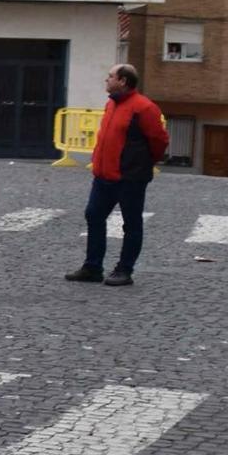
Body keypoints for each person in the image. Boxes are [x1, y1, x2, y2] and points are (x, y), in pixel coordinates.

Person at [65, 63, 169, 288]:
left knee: (131, 224)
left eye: (110, 76)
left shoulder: (144, 108)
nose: (106, 80)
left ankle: (125, 270)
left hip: (129, 177)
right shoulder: (111, 104)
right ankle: (93, 267)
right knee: (93, 216)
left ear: (123, 80)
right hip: (104, 175)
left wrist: (143, 163)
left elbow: (159, 140)